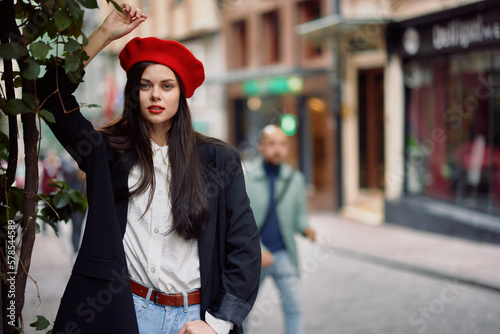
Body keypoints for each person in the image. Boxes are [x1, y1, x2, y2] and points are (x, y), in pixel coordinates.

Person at [36, 3, 261, 334]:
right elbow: (50, 97)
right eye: (145, 85)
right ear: (133, 93)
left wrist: (216, 324)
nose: (156, 94)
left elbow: (244, 247)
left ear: (180, 94)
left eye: (167, 86)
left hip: (196, 320)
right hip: (126, 314)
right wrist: (103, 34)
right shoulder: (107, 153)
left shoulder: (218, 160)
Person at [244, 125, 316, 334]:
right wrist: (258, 248)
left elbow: (299, 214)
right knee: (243, 309)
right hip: (253, 257)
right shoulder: (246, 176)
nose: (278, 149)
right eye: (272, 144)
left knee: (294, 308)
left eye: (283, 144)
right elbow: (239, 222)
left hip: (284, 254)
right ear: (261, 147)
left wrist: (305, 228)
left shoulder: (295, 179)